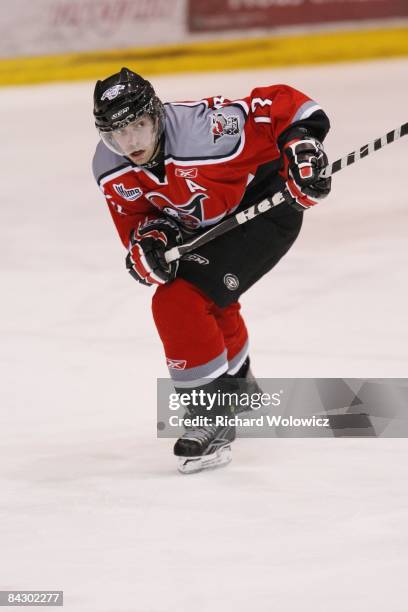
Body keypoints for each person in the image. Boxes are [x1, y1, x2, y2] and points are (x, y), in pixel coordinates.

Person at [92, 67, 331, 473]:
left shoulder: (207, 132)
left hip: (266, 207)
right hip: (209, 227)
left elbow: (277, 105)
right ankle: (236, 383)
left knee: (178, 301)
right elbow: (137, 219)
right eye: (117, 134)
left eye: (138, 126)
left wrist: (302, 146)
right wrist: (150, 240)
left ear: (157, 116)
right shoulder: (109, 167)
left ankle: (212, 415)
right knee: (206, 296)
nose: (129, 142)